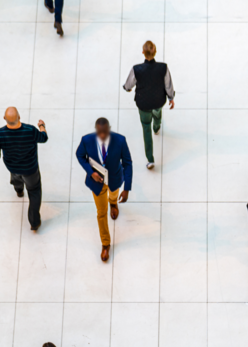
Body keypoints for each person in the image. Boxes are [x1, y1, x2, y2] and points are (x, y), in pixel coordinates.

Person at [75, 117, 133, 262]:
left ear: (109, 129)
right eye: (99, 132)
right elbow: (79, 155)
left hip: (114, 180)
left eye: (105, 132)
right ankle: (105, 244)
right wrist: (90, 172)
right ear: (96, 130)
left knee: (113, 196)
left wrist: (126, 189)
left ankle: (113, 203)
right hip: (97, 183)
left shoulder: (120, 141)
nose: (102, 135)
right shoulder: (86, 140)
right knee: (101, 213)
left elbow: (127, 163)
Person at [0, 107, 49, 231]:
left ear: (4, 119)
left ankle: (19, 191)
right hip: (30, 170)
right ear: (19, 117)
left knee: (16, 178)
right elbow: (44, 138)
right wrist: (42, 126)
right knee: (34, 192)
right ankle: (34, 222)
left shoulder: (0, 134)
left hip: (13, 167)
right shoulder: (30, 130)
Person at [122, 41, 175, 170]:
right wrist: (171, 98)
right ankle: (157, 128)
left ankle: (150, 159)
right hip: (158, 101)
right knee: (157, 113)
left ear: (143, 52)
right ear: (155, 51)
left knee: (146, 128)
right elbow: (168, 85)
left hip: (143, 103)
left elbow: (128, 86)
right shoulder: (163, 68)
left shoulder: (137, 69)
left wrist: (128, 89)